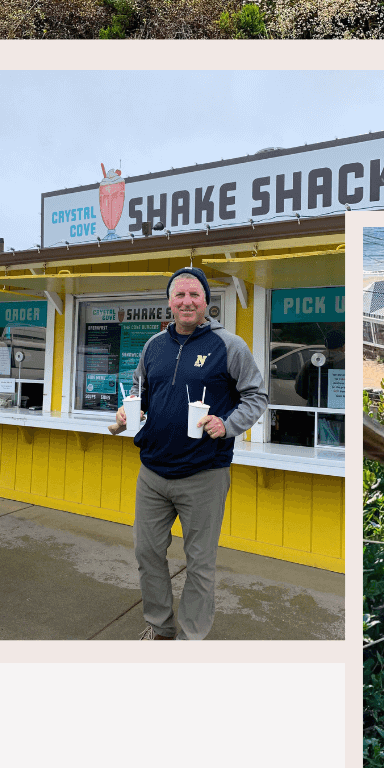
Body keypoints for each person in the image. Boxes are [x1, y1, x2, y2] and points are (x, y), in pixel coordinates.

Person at [114, 267, 267, 640]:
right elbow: (142, 397)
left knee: (199, 564)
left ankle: (191, 640)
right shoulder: (153, 347)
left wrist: (227, 425)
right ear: (169, 302)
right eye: (179, 295)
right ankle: (160, 628)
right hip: (152, 472)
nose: (186, 302)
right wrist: (126, 414)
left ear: (206, 303)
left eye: (194, 295)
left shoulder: (229, 346)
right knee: (147, 554)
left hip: (204, 474)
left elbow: (256, 396)